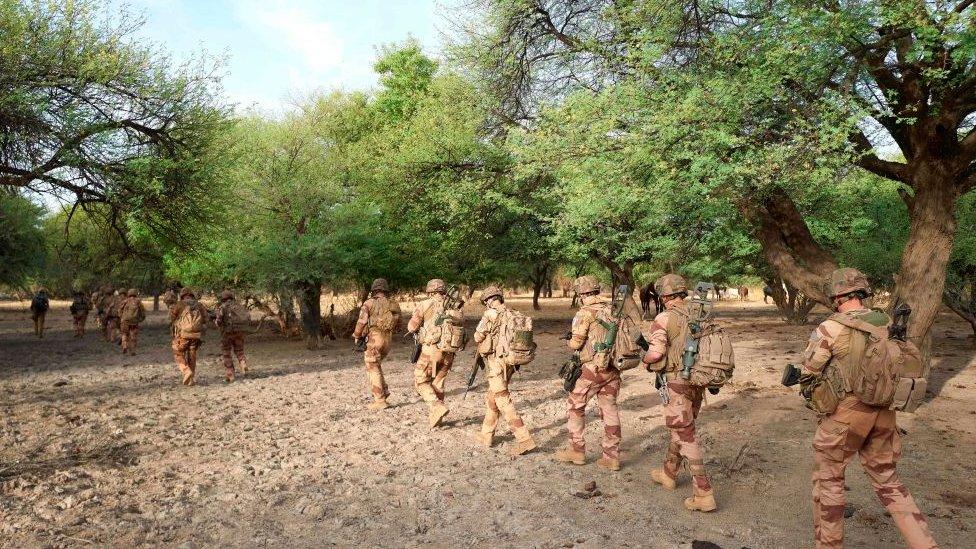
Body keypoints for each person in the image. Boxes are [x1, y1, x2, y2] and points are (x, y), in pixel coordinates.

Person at [800, 268, 937, 549]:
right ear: (862, 292)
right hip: (885, 413)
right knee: (888, 480)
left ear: (836, 295)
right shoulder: (889, 324)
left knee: (829, 480)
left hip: (846, 416)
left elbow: (809, 370)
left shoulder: (831, 327)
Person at [640, 274, 716, 512]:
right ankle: (668, 473)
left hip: (676, 382)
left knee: (685, 434)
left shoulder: (664, 318)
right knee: (681, 428)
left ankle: (704, 493)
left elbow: (655, 354)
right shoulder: (701, 315)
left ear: (664, 296)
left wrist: (646, 359)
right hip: (698, 382)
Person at [554, 275, 622, 471]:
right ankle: (612, 457)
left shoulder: (585, 312)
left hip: (591, 369)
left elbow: (576, 343)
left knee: (575, 407)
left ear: (581, 293)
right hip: (612, 368)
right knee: (610, 409)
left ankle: (577, 451)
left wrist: (570, 342)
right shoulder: (613, 309)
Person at [472, 286, 536, 455]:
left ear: (488, 300)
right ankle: (487, 434)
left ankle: (524, 439)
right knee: (492, 396)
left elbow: (477, 337)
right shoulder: (515, 313)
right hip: (511, 361)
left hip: (497, 362)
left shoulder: (490, 314)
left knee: (502, 398)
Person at [406, 278, 463, 428]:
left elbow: (412, 327)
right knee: (438, 383)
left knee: (421, 381)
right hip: (449, 352)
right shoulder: (454, 307)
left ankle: (436, 406)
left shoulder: (425, 304)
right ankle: (437, 419)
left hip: (431, 350)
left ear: (430, 291)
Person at [352, 279, 401, 410]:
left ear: (373, 290)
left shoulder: (368, 303)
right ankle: (384, 392)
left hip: (374, 338)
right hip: (388, 340)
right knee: (376, 365)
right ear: (386, 290)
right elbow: (399, 323)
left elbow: (361, 322)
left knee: (372, 367)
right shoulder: (393, 304)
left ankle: (379, 400)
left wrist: (357, 335)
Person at [169, 288, 209, 386]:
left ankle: (186, 371)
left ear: (182, 295)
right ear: (192, 295)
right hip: (196, 335)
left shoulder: (179, 304)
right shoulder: (199, 305)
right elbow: (206, 319)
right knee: (192, 354)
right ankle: (191, 379)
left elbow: (172, 318)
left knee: (177, 352)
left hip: (183, 334)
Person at [214, 290, 250, 383]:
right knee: (239, 350)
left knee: (226, 353)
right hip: (239, 332)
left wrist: (217, 324)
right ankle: (243, 363)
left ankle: (230, 374)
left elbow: (218, 320)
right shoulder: (239, 306)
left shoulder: (222, 307)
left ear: (223, 299)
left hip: (227, 334)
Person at [118, 289, 146, 355]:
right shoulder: (138, 301)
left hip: (125, 321)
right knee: (133, 336)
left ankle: (124, 346)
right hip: (134, 322)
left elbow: (119, 310)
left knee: (124, 334)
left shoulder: (125, 301)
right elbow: (143, 311)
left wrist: (121, 317)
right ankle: (132, 351)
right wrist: (141, 319)